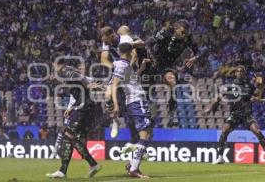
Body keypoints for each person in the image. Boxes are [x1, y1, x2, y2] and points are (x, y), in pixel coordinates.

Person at [205, 65, 265, 165]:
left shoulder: (249, 86)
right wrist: (211, 107)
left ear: (244, 73)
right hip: (235, 114)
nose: (240, 73)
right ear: (235, 74)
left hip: (247, 114)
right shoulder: (229, 86)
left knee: (258, 132)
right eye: (238, 71)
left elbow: (258, 97)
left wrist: (260, 86)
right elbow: (218, 98)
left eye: (242, 71)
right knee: (225, 130)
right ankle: (220, 157)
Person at [46, 57, 104, 178]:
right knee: (69, 137)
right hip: (83, 107)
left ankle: (92, 164)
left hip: (85, 108)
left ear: (55, 64)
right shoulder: (66, 73)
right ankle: (63, 171)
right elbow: (80, 87)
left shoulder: (65, 71)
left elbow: (81, 79)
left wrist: (88, 85)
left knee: (68, 134)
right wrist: (71, 108)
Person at [110, 42, 152, 178]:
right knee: (144, 135)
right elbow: (115, 85)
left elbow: (131, 81)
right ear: (130, 52)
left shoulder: (124, 64)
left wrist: (140, 69)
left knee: (143, 134)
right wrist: (116, 105)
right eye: (134, 52)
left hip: (135, 102)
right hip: (136, 102)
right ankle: (134, 169)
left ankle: (131, 164)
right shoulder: (122, 65)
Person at [147, 19, 206, 115]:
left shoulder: (188, 38)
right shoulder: (166, 32)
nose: (184, 35)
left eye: (186, 33)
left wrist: (195, 58)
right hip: (154, 61)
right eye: (182, 32)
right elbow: (149, 43)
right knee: (145, 84)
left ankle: (171, 111)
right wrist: (152, 57)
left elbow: (200, 51)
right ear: (176, 28)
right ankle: (147, 104)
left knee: (173, 82)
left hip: (168, 64)